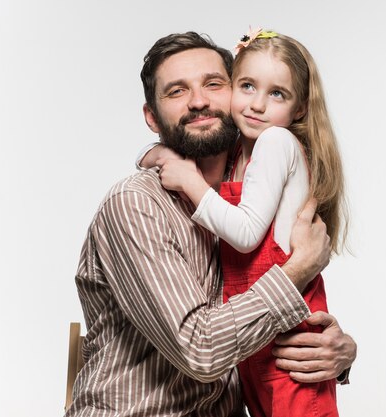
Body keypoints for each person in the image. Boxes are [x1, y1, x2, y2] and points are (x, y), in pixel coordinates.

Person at [66, 32, 356, 417]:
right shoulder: (136, 206)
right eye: (176, 92)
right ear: (152, 118)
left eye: (213, 84)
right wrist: (298, 271)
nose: (199, 100)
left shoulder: (251, 185)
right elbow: (200, 351)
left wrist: (335, 350)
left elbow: (255, 323)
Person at [144, 28, 346, 417]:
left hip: (284, 331)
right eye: (248, 86)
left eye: (277, 94)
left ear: (299, 108)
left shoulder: (274, 143)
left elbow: (246, 233)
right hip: (254, 328)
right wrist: (158, 151)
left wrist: (187, 180)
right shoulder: (241, 146)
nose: (257, 105)